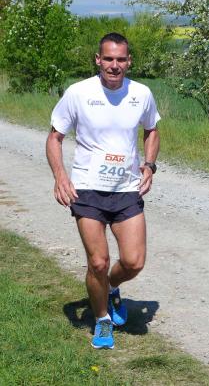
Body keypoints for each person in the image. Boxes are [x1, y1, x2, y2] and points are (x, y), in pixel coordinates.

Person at [46, 32, 160, 349]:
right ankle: (102, 319)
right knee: (98, 262)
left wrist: (149, 165)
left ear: (129, 61)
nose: (114, 65)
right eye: (108, 58)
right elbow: (55, 137)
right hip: (87, 189)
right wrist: (60, 176)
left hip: (126, 189)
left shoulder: (141, 93)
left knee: (134, 262)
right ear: (98, 59)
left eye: (120, 59)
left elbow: (152, 130)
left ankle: (109, 287)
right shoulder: (78, 93)